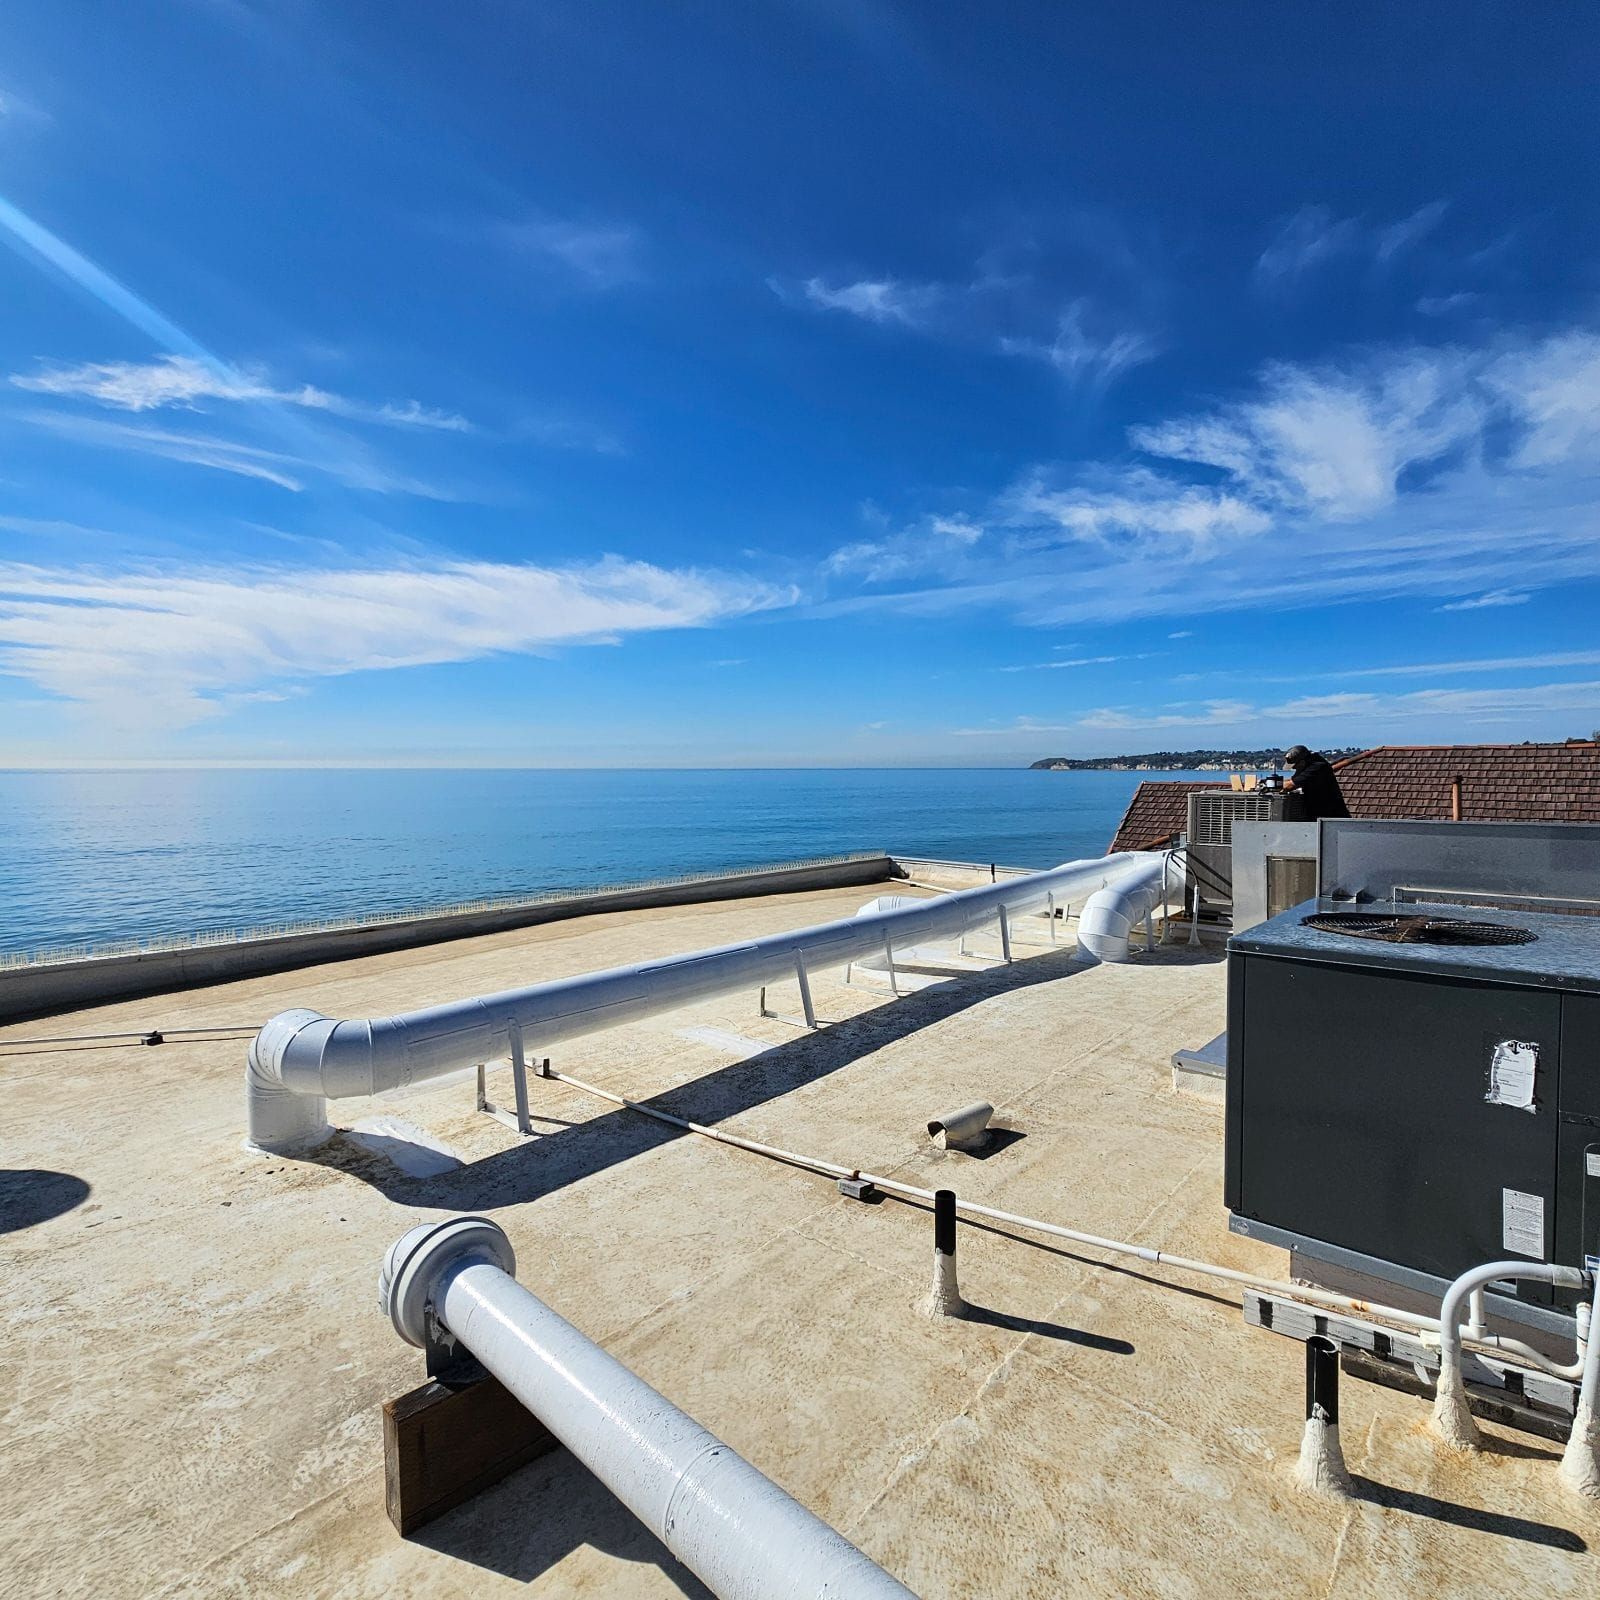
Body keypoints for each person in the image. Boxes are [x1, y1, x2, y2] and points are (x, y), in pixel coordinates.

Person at [1282, 745, 1350, 821]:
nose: (1294, 769)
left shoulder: (1316, 767)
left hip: (1331, 817)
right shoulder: (1310, 762)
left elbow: (1290, 786)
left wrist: (1272, 785)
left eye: (1295, 767)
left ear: (1302, 762)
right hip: (1319, 814)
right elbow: (1293, 780)